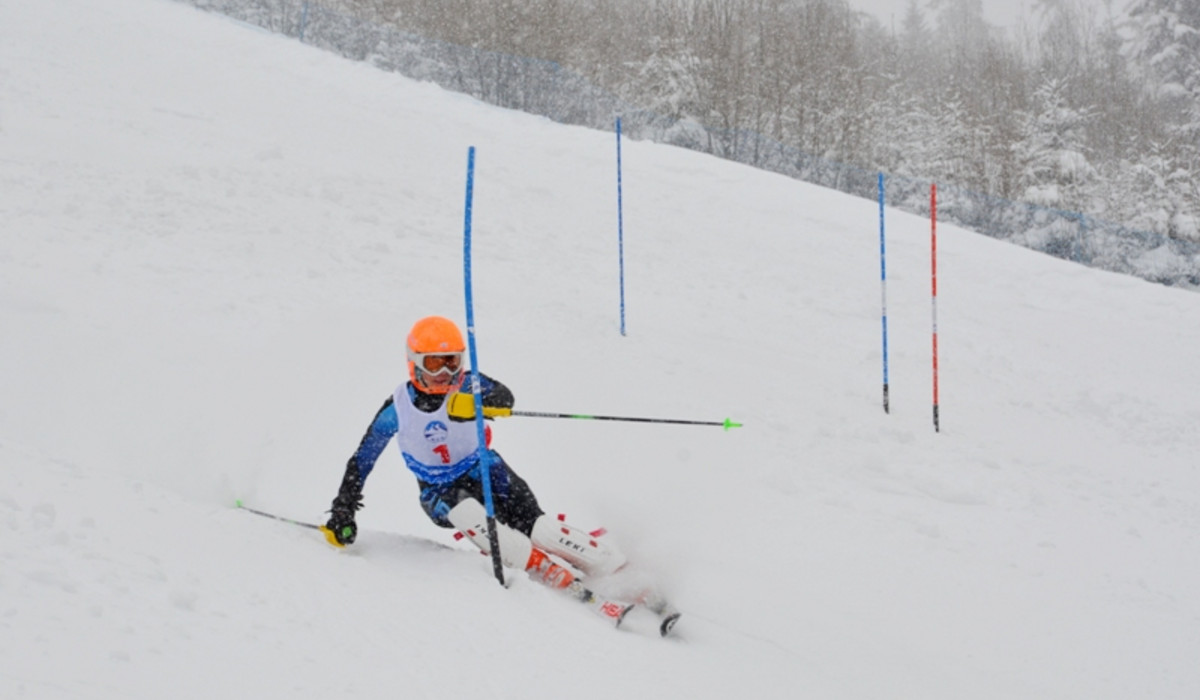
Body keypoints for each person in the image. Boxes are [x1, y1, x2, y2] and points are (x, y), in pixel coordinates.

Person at [324, 315, 625, 589]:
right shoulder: (398, 408)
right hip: (438, 491)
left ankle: (613, 566)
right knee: (469, 513)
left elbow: (505, 397)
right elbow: (362, 460)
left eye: (452, 362)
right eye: (433, 364)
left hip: (483, 468)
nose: (444, 373)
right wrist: (343, 509)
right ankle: (541, 567)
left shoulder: (468, 384)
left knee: (538, 527)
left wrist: (479, 402)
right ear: (414, 363)